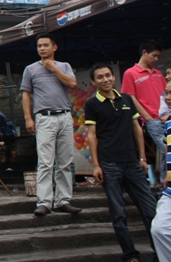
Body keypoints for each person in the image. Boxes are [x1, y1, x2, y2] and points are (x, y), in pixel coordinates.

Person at [85, 63, 157, 261]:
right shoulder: (92, 104)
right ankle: (130, 255)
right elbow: (92, 136)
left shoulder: (126, 99)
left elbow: (137, 129)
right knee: (118, 214)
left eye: (108, 75)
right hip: (109, 164)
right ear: (94, 82)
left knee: (150, 210)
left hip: (132, 163)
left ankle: (160, 252)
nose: (105, 80)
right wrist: (96, 165)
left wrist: (142, 157)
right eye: (100, 77)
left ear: (113, 77)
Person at [21, 33, 81, 216]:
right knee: (45, 162)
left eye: (46, 45)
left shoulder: (64, 66)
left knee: (64, 161)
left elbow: (72, 83)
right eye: (39, 46)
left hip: (64, 116)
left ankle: (63, 200)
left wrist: (53, 69)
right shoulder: (30, 69)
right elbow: (25, 94)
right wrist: (28, 118)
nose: (42, 49)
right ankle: (44, 201)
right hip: (44, 117)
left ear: (54, 47)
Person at [121, 40, 167, 181]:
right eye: (154, 55)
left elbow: (166, 93)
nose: (156, 59)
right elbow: (130, 97)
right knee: (166, 148)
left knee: (166, 150)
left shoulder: (158, 73)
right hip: (151, 118)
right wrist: (147, 116)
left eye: (158, 56)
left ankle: (165, 186)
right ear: (144, 52)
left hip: (165, 117)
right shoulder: (130, 73)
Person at [151, 81, 171, 261]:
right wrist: (166, 175)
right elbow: (167, 148)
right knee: (159, 229)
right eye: (166, 93)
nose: (168, 97)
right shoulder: (168, 123)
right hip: (170, 188)